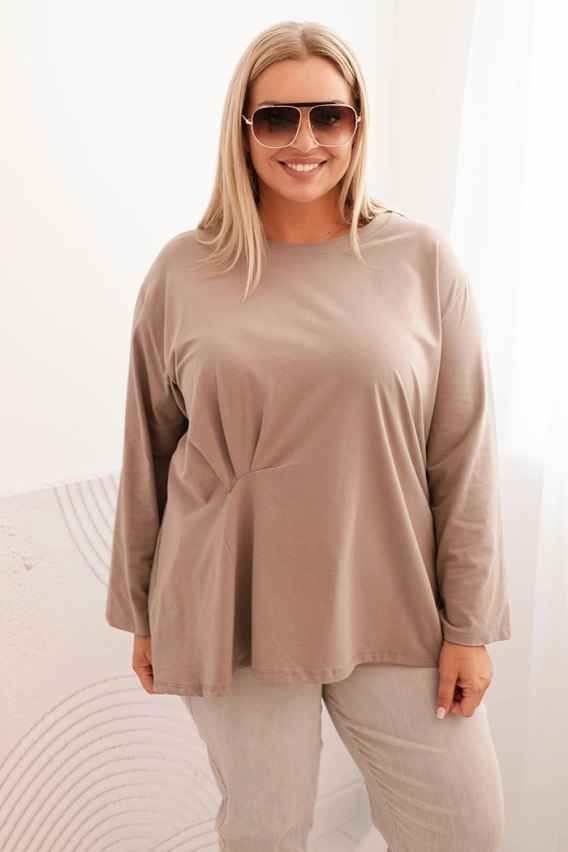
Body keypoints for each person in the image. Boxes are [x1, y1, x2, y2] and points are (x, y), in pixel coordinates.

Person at [105, 19, 512, 852]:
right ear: (243, 129)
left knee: (464, 828)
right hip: (229, 604)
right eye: (276, 118)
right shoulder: (184, 270)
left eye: (328, 115)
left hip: (393, 599)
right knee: (264, 833)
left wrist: (468, 626)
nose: (304, 140)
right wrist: (144, 613)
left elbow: (462, 456)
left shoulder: (421, 261)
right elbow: (148, 451)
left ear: (357, 124)